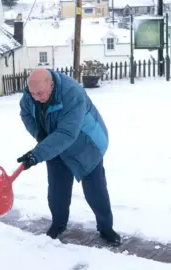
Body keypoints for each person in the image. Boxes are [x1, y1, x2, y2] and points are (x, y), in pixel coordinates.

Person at [16, 68, 121, 246]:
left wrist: (37, 154)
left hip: (85, 144)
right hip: (54, 144)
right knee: (57, 190)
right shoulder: (31, 94)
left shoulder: (72, 94)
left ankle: (106, 227)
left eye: (40, 93)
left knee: (95, 190)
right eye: (32, 93)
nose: (35, 97)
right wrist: (40, 135)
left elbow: (66, 133)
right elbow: (25, 114)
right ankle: (58, 224)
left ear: (51, 84)